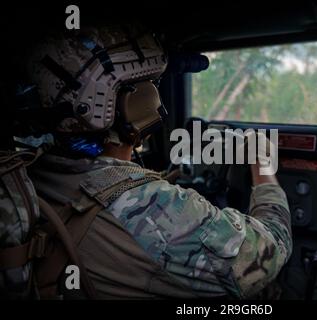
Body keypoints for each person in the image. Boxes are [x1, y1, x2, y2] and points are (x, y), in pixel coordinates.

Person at [17, 24, 292, 299]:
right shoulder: (153, 205)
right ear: (137, 105)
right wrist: (261, 161)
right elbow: (270, 252)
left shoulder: (29, 172)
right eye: (151, 86)